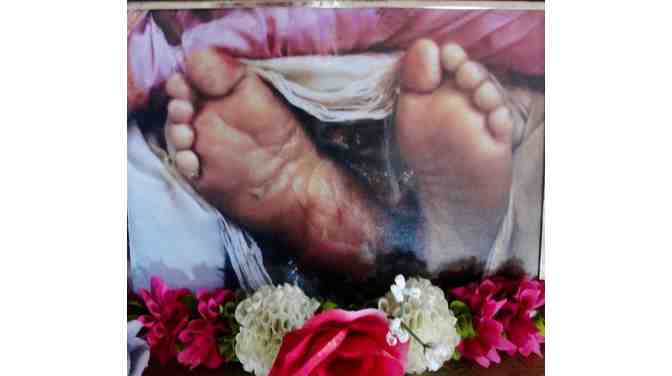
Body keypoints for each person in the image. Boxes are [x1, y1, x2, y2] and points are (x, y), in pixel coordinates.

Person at [127, 8, 544, 293]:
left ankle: (325, 207)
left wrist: (163, 60)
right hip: (401, 60)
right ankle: (446, 251)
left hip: (247, 66)